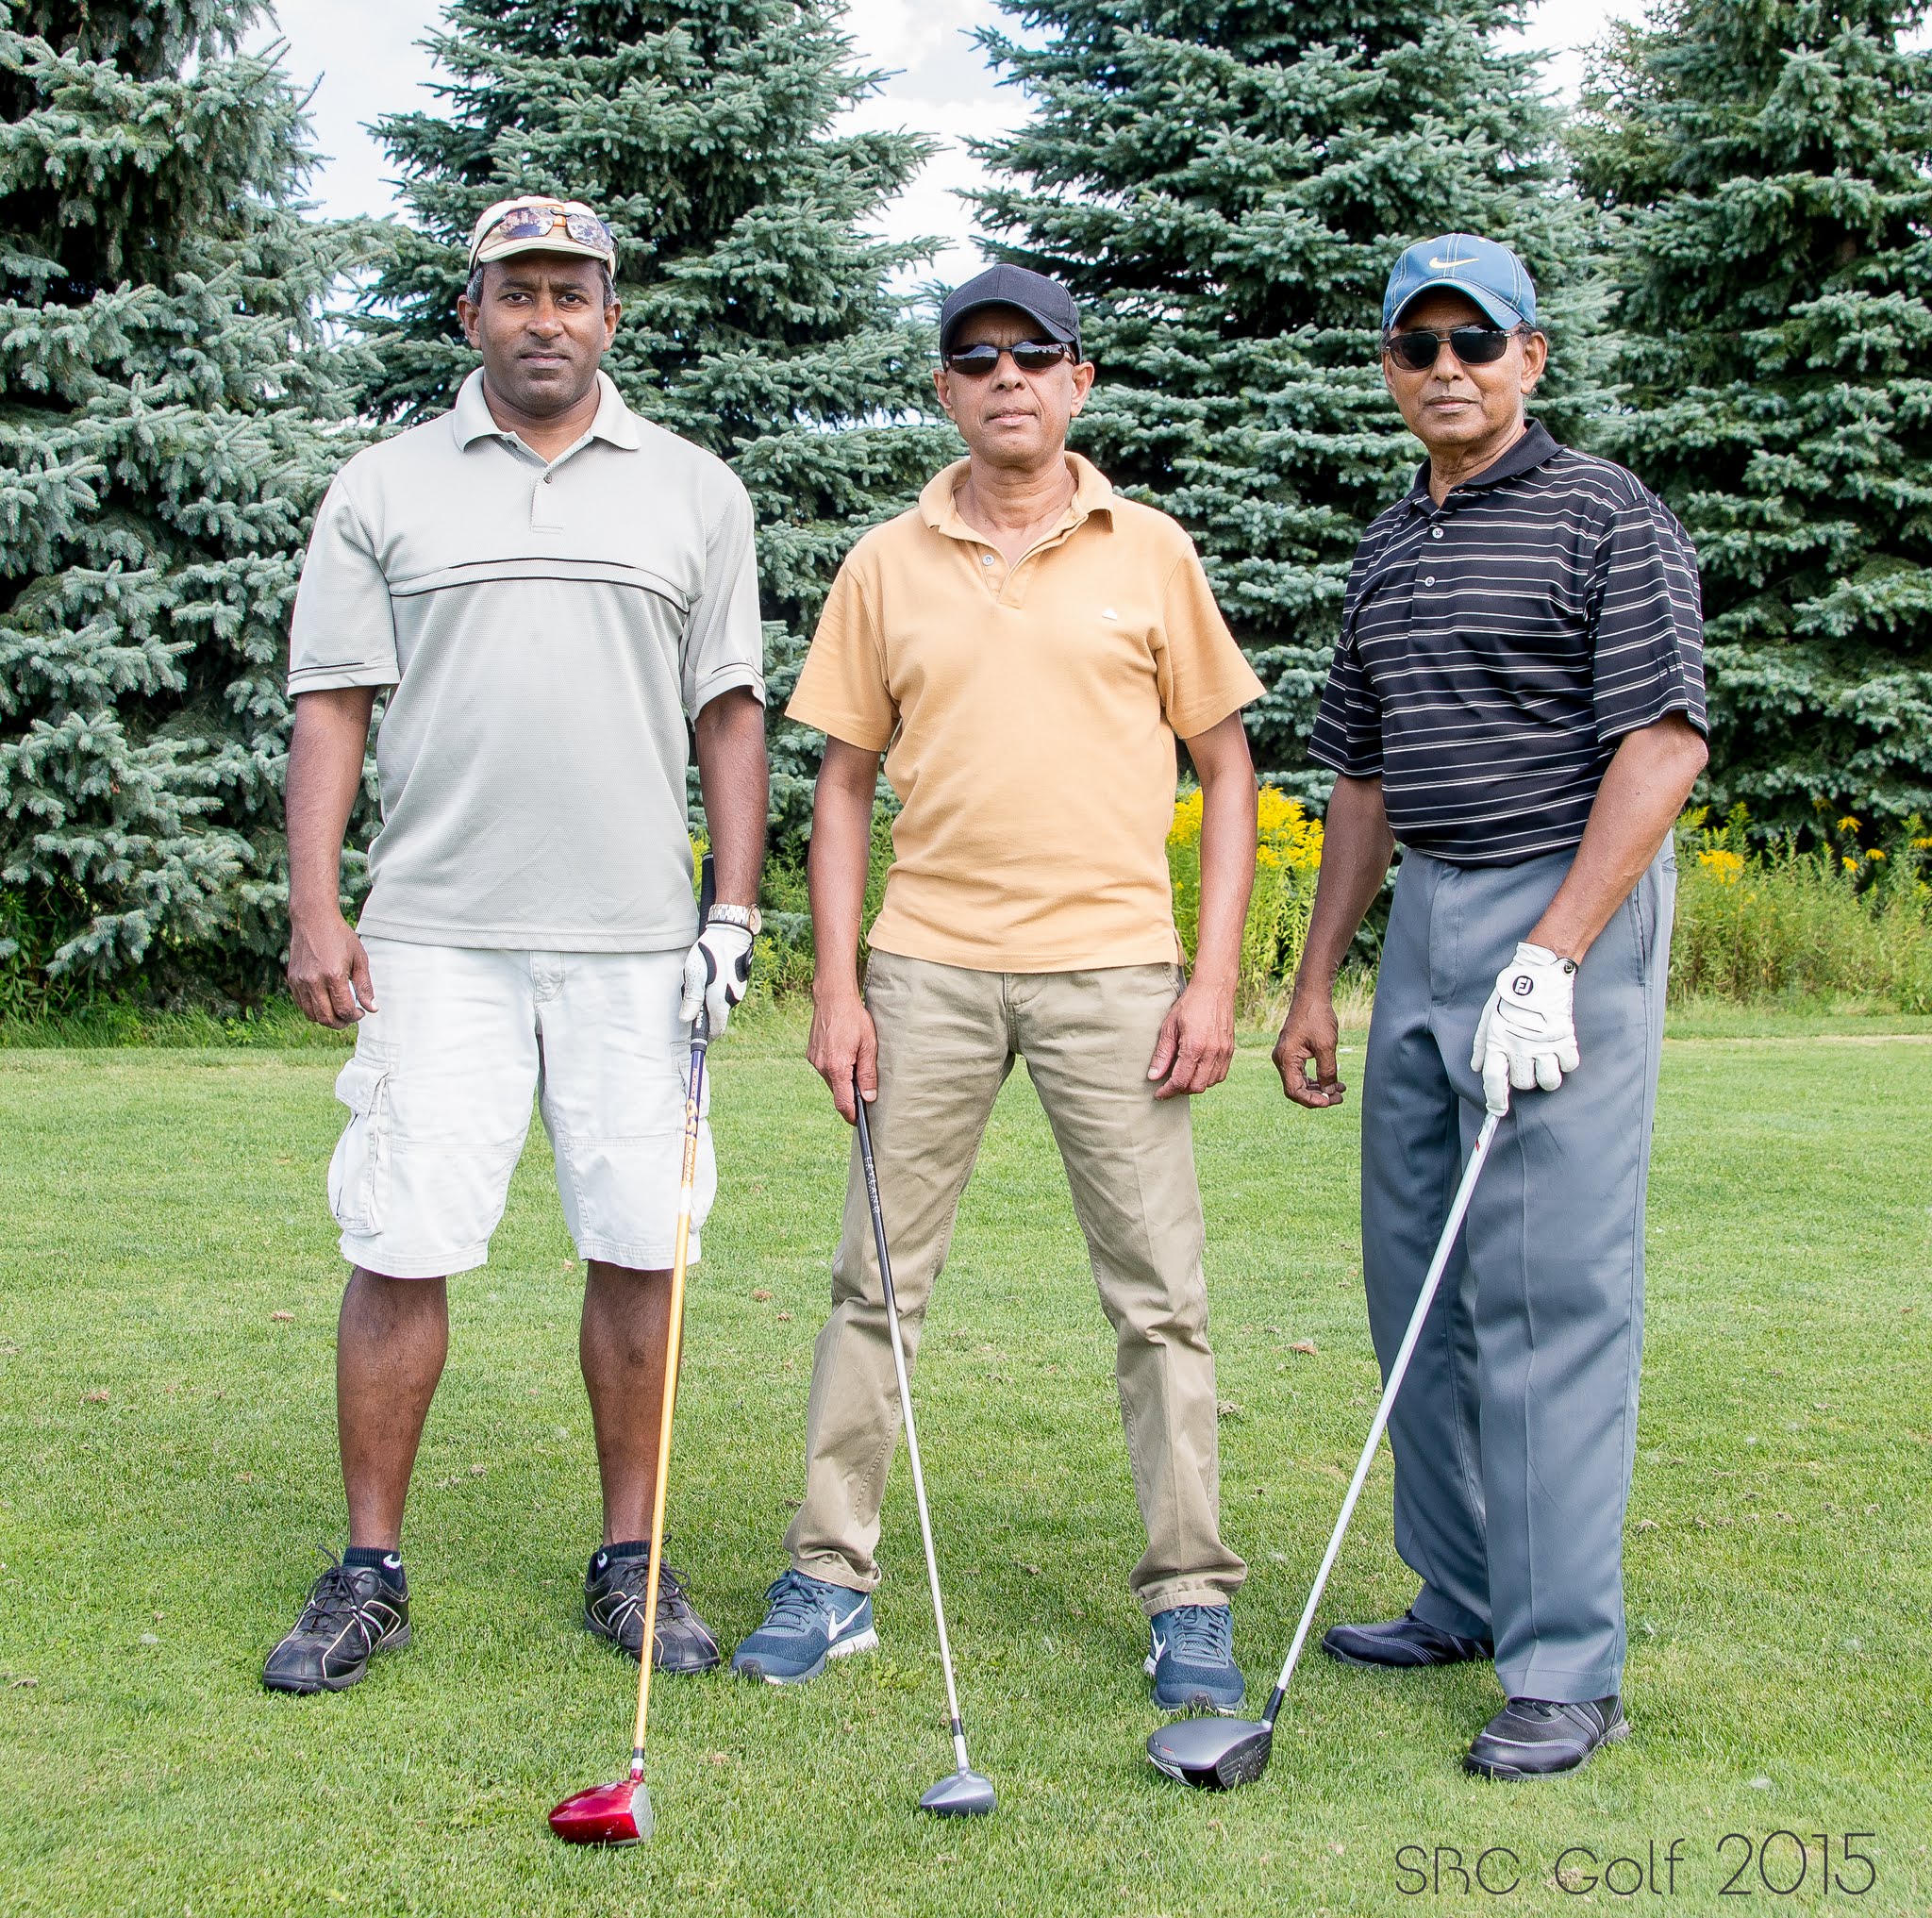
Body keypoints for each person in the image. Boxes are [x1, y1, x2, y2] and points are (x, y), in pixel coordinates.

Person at [728, 264, 1262, 1713]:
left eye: (1035, 354)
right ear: (946, 391)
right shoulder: (884, 562)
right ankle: (829, 1576)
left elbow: (1226, 768)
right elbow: (843, 787)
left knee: (1160, 1298)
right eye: (977, 359)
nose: (1006, 378)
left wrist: (1212, 976)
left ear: (1078, 381)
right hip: (929, 971)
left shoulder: (1153, 550)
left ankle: (1191, 1596)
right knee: (874, 1285)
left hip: (1116, 974)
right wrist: (836, 988)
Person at [262, 193, 768, 1693]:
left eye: (571, 291)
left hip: (636, 945)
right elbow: (331, 707)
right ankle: (369, 1570)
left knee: (641, 1241)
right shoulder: (383, 485)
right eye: (517, 290)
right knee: (399, 1238)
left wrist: (733, 912)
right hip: (435, 935)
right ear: (470, 311)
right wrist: (315, 906)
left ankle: (633, 1557)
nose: (546, 316)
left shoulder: (695, 492)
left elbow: (729, 713)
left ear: (609, 313)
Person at [1273, 235, 1707, 1776]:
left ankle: (1566, 1660)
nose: (1446, 367)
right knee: (1418, 1276)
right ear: (1391, 365)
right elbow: (1366, 778)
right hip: (1428, 911)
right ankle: (1460, 1589)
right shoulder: (1391, 545)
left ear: (1531, 357)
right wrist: (1317, 979)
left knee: (1544, 1286)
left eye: (1477, 340)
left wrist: (1555, 953)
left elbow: (1663, 744)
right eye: (1419, 343)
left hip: (1562, 899)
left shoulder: (1607, 513)